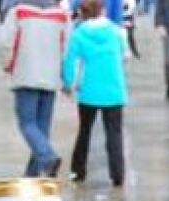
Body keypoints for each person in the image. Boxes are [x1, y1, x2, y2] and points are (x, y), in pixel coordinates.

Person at [0, 0, 68, 177]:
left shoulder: (18, 12)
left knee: (27, 123)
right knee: (42, 128)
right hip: (50, 76)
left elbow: (3, 44)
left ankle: (48, 157)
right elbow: (66, 47)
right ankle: (32, 175)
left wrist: (8, 65)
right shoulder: (61, 15)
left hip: (25, 74)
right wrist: (62, 72)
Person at [63, 0, 129, 186]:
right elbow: (125, 56)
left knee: (84, 131)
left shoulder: (79, 34)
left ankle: (78, 171)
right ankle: (118, 174)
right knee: (114, 134)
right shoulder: (115, 32)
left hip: (89, 90)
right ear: (103, 11)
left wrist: (68, 84)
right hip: (114, 89)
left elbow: (70, 62)